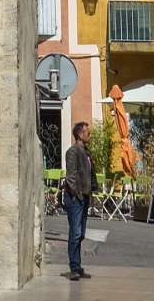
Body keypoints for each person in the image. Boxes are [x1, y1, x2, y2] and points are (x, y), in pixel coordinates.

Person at [60, 120, 96, 282]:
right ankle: (74, 268)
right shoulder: (73, 152)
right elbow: (71, 177)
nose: (90, 135)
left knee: (80, 233)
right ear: (80, 134)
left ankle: (78, 265)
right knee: (75, 233)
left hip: (84, 196)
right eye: (88, 132)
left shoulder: (86, 152)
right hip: (75, 197)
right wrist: (78, 195)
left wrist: (91, 191)